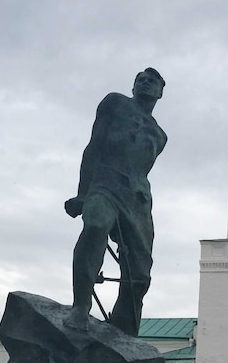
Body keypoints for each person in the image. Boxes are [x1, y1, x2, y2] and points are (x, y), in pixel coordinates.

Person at [63, 68, 168, 336]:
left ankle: (123, 328)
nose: (144, 82)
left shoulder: (160, 135)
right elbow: (93, 147)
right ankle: (81, 306)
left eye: (152, 81)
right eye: (140, 79)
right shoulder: (114, 103)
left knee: (140, 274)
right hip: (106, 184)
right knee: (96, 226)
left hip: (138, 200)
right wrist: (82, 193)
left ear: (160, 92)